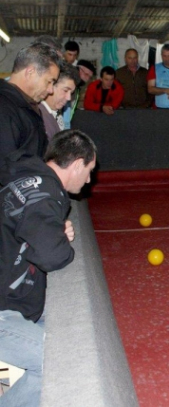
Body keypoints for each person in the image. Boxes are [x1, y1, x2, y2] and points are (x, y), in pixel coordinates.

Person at [0, 129, 97, 407]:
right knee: (57, 360)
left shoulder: (29, 180)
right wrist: (59, 242)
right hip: (3, 311)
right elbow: (53, 256)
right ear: (77, 164)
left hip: (11, 299)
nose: (89, 179)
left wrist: (53, 232)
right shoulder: (44, 194)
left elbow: (28, 234)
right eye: (89, 171)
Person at [0, 43, 61, 168]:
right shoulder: (4, 107)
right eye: (49, 81)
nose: (50, 90)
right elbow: (6, 167)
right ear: (30, 72)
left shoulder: (29, 105)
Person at [39, 63, 81, 140]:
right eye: (65, 90)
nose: (68, 98)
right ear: (50, 85)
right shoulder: (38, 117)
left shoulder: (56, 114)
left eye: (71, 93)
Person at [62, 59, 95, 129]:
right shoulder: (67, 86)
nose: (87, 79)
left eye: (89, 77)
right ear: (77, 69)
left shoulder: (77, 89)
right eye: (86, 74)